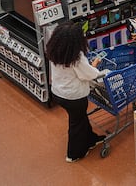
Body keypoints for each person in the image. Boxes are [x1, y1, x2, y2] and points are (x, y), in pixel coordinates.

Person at [45, 21, 106, 163]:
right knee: (76, 123)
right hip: (74, 97)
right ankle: (74, 154)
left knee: (80, 117)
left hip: (58, 92)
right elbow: (89, 75)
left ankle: (90, 139)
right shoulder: (77, 57)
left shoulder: (55, 50)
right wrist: (95, 64)